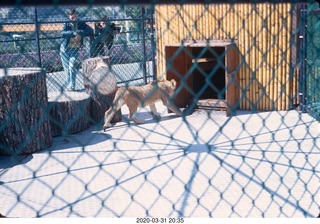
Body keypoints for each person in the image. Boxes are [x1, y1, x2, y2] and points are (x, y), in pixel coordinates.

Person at [60, 9, 93, 91]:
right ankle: (69, 86)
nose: (73, 17)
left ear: (76, 15)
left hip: (75, 49)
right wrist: (74, 33)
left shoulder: (81, 23)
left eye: (74, 15)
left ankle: (72, 86)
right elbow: (63, 33)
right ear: (69, 16)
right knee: (67, 70)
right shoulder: (66, 23)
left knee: (72, 66)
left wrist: (79, 32)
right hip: (65, 49)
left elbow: (90, 30)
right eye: (71, 15)